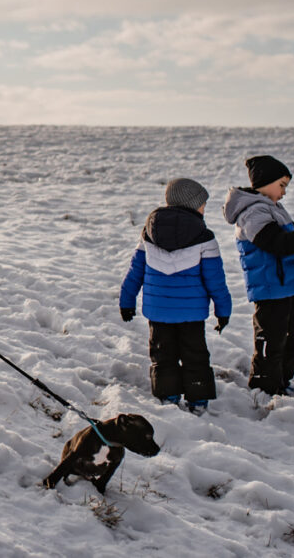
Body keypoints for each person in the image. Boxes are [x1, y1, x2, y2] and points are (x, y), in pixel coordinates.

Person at [222, 156, 294, 395]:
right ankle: (263, 389)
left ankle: (280, 383)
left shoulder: (274, 209)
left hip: (287, 286)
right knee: (271, 342)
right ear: (265, 183)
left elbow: (289, 238)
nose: (284, 192)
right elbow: (275, 242)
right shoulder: (252, 213)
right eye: (282, 185)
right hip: (269, 288)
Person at [119, 178, 232, 415]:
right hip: (191, 314)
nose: (204, 209)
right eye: (202, 204)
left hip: (159, 313)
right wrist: (223, 310)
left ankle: (168, 397)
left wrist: (127, 301)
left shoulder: (149, 234)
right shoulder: (205, 237)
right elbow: (215, 280)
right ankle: (198, 401)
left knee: (163, 356)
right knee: (195, 356)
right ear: (191, 205)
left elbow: (135, 272)